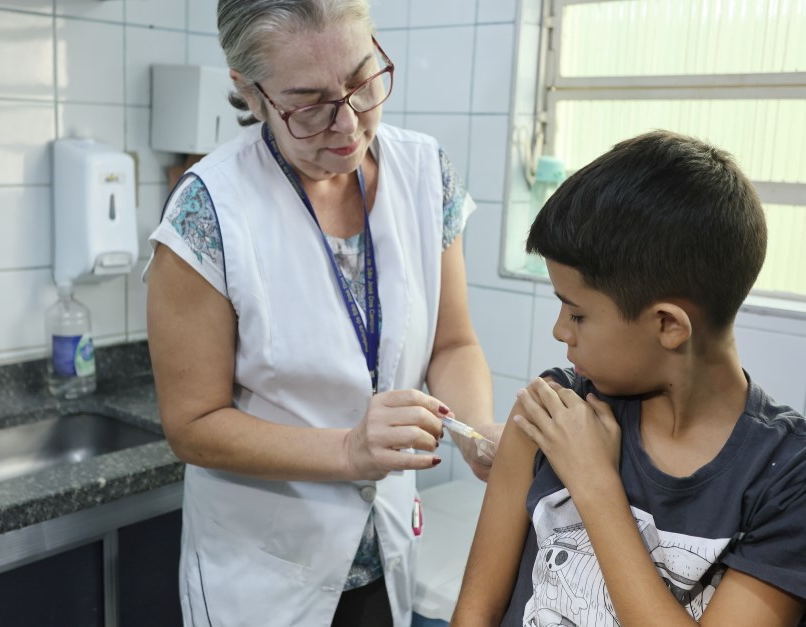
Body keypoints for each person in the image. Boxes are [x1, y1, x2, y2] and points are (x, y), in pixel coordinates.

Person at [144, 1, 501, 625]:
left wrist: (475, 429)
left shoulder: (424, 173)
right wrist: (347, 451)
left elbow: (452, 344)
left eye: (362, 81)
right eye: (308, 105)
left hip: (386, 554)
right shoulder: (208, 211)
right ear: (250, 94)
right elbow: (192, 423)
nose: (348, 124)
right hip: (262, 576)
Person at [451, 130, 806, 626]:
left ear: (667, 325)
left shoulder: (786, 479)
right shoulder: (552, 412)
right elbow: (474, 612)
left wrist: (594, 484)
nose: (559, 332)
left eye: (576, 314)